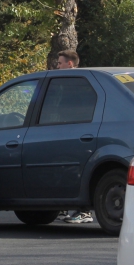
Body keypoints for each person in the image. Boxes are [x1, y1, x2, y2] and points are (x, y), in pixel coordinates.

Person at [54, 49, 94, 225]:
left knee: (76, 169)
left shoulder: (78, 82)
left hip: (77, 132)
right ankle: (64, 206)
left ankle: (84, 211)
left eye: (60, 62)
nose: (58, 65)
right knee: (63, 167)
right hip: (67, 130)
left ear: (69, 63)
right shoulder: (69, 82)